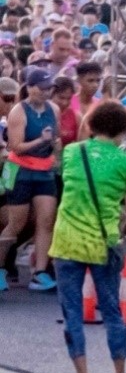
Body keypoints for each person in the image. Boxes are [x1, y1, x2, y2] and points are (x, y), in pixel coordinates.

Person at [51, 102, 126, 373]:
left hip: (67, 241)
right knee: (112, 311)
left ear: (91, 125)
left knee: (72, 313)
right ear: (123, 131)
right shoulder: (124, 163)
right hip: (104, 242)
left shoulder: (72, 153)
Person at [0, 66, 61, 291]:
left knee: (46, 220)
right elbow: (16, 146)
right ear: (31, 88)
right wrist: (40, 141)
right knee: (17, 222)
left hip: (44, 171)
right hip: (22, 170)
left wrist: (55, 152)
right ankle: (0, 267)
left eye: (50, 88)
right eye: (43, 88)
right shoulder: (19, 110)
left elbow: (57, 138)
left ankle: (40, 272)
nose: (47, 92)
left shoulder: (53, 109)